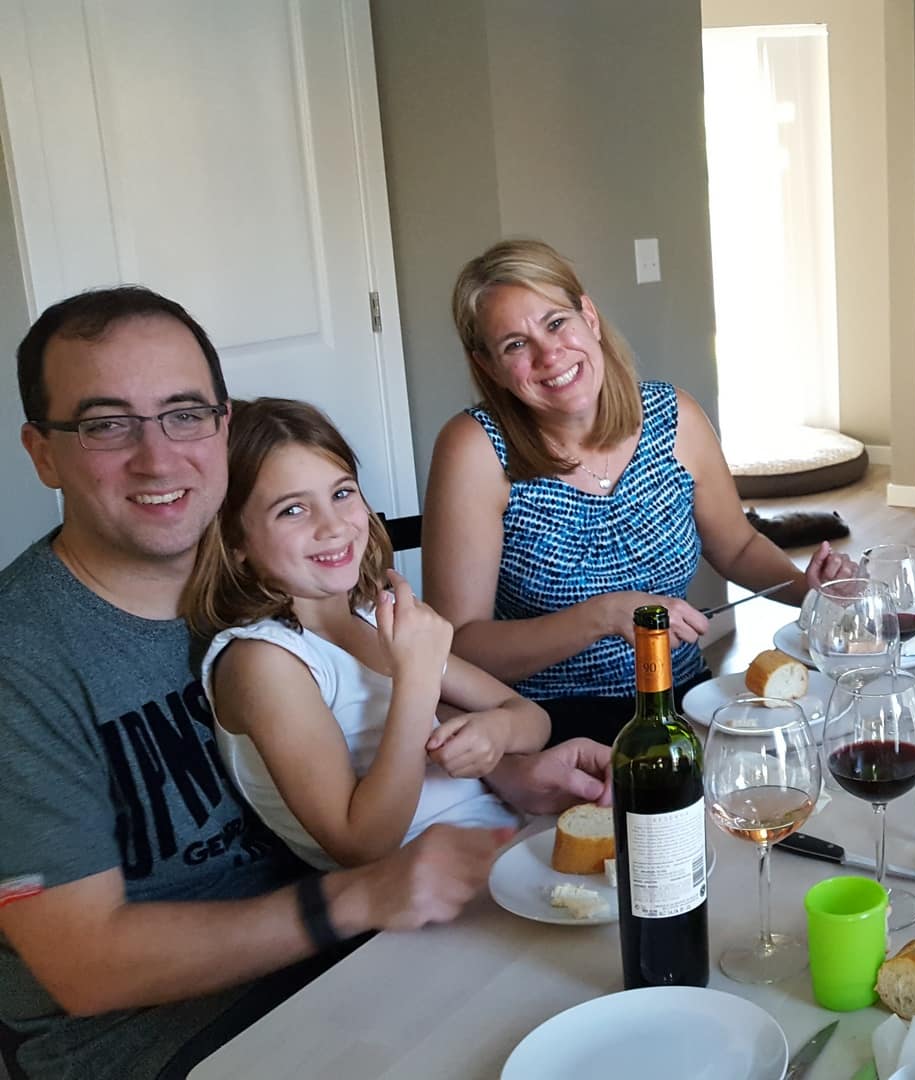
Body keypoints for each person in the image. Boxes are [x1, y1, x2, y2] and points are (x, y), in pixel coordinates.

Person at [0, 286, 612, 1080]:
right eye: (105, 424)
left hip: (364, 946)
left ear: (223, 426)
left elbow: (387, 728)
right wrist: (362, 896)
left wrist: (506, 766)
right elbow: (83, 968)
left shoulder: (283, 596)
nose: (157, 457)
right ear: (43, 452)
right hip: (171, 1034)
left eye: (185, 413)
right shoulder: (25, 657)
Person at [425, 239, 855, 744]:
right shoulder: (474, 449)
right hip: (543, 725)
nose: (549, 354)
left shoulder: (676, 418)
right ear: (488, 367)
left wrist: (808, 590)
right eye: (515, 345)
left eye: (556, 322)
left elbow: (737, 546)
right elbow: (460, 645)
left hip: (681, 701)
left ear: (589, 316)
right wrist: (605, 615)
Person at [185, 398, 546, 870]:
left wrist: (495, 732)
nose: (333, 526)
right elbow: (361, 843)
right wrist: (416, 683)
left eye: (342, 493)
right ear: (236, 542)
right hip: (421, 889)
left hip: (507, 841)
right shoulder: (264, 661)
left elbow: (531, 718)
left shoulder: (376, 617)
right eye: (292, 510)